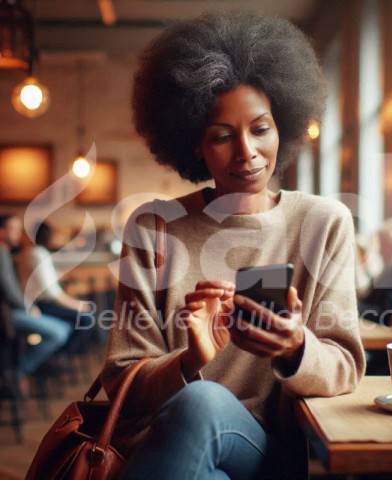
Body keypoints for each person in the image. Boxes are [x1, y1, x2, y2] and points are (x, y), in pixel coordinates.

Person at [101, 11, 365, 480]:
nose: (246, 151)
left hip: (266, 450)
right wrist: (190, 360)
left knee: (204, 401)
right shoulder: (156, 226)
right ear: (194, 146)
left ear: (284, 124)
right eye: (222, 136)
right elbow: (122, 381)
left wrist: (295, 346)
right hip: (165, 447)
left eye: (260, 129)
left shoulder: (323, 223)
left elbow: (345, 367)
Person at [0, 214, 72, 378]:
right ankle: (17, 372)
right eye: (14, 230)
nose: (19, 234)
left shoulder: (7, 254)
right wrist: (29, 307)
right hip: (7, 316)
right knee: (59, 332)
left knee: (66, 328)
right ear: (1, 233)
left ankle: (27, 368)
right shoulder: (1, 254)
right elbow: (9, 291)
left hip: (13, 310)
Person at [17, 220, 92, 353]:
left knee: (82, 318)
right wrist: (77, 304)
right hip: (39, 304)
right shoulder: (38, 253)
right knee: (87, 318)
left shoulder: (30, 252)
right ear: (47, 236)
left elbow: (43, 280)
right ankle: (61, 356)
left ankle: (60, 356)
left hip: (37, 302)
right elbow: (52, 293)